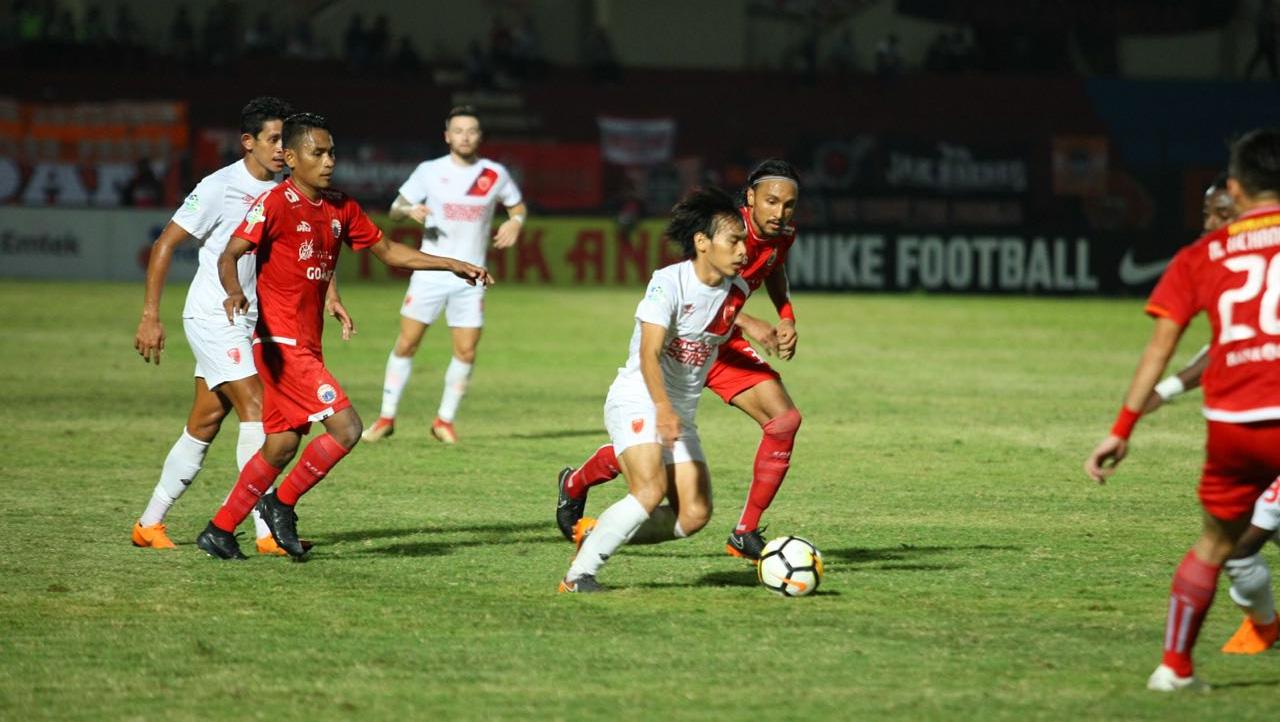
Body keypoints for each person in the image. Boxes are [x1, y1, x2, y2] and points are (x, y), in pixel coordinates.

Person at [194, 113, 492, 560]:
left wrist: (450, 263)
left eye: (332, 151)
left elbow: (389, 251)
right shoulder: (276, 203)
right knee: (347, 427)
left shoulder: (340, 206)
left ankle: (219, 530)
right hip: (280, 345)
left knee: (281, 445)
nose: (329, 160)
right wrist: (235, 291)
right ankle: (281, 503)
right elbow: (232, 253)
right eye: (318, 152)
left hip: (305, 343)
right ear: (291, 158)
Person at [1083, 128, 1280, 691]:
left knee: (1215, 546)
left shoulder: (1204, 253)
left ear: (1236, 189)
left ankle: (1174, 667)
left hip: (1235, 426)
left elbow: (1160, 347)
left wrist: (1123, 428)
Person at [557, 159, 803, 561]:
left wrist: (786, 315)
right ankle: (577, 485)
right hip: (686, 341)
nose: (780, 213)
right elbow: (697, 287)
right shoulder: (724, 228)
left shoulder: (781, 234)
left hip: (723, 346)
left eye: (789, 205)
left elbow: (774, 267)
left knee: (784, 421)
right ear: (751, 197)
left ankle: (745, 532)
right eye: (772, 202)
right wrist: (750, 321)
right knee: (650, 446)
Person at [131, 96, 344, 556]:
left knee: (205, 421)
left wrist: (330, 294)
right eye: (272, 140)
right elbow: (165, 244)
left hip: (256, 322)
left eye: (285, 141)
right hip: (214, 315)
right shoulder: (218, 187)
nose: (280, 149)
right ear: (247, 142)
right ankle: (265, 531)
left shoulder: (287, 192)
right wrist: (151, 315)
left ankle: (149, 523)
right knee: (259, 408)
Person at [560, 187, 749, 592]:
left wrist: (762, 326)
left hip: (679, 411)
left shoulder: (738, 291)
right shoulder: (667, 283)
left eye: (743, 241)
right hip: (640, 397)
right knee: (648, 491)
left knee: (694, 516)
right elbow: (649, 353)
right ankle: (578, 576)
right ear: (702, 243)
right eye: (733, 240)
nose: (743, 250)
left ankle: (601, 531)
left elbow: (716, 319)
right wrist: (662, 408)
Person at [1141, 173, 1279, 656]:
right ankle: (1264, 626)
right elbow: (1220, 347)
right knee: (1242, 543)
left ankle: (1258, 630)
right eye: (1206, 216)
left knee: (1239, 543)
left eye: (1220, 214)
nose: (1210, 225)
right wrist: (1167, 389)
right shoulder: (1238, 258)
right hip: (1255, 428)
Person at [361, 105, 526, 445]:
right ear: (447, 136)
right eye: (459, 130)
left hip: (471, 278)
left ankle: (444, 421)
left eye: (472, 131)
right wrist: (409, 210)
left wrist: (515, 221)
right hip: (430, 272)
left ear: (479, 137)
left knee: (466, 350)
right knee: (407, 342)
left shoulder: (494, 174)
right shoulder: (429, 171)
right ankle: (386, 417)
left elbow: (517, 206)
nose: (465, 136)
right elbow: (394, 209)